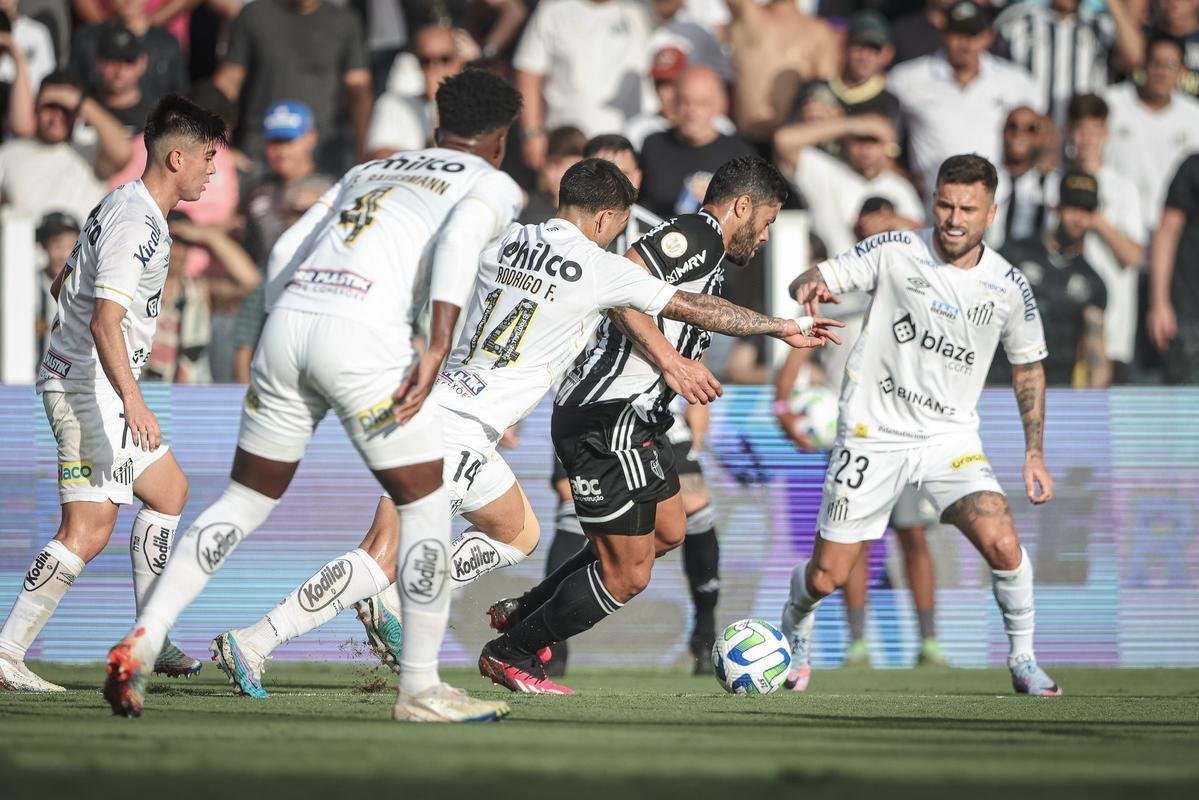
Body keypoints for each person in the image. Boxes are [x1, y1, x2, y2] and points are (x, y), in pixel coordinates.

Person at [206, 157, 837, 698]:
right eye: (618, 226)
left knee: (518, 533)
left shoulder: (506, 241)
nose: (618, 238)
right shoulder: (599, 264)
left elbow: (435, 277)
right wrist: (772, 329)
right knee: (381, 554)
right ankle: (255, 639)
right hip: (456, 423)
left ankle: (403, 599)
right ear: (604, 219)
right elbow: (678, 300)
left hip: (457, 406)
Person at [102, 69, 526, 722]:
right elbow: (459, 250)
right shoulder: (491, 182)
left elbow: (291, 245)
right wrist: (436, 348)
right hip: (363, 340)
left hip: (290, 324)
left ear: (438, 127)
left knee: (242, 500)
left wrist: (283, 319)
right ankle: (418, 689)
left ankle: (146, 635)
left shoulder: (370, 169)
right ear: (499, 140)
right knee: (425, 505)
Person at [480, 158, 842, 695]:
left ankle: (526, 609)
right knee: (629, 574)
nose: (765, 236)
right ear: (741, 207)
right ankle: (514, 649)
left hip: (642, 419)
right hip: (609, 415)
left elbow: (703, 309)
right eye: (765, 222)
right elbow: (624, 280)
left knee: (672, 529)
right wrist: (671, 360)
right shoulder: (695, 233)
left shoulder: (711, 253)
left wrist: (782, 327)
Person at [782, 153, 1061, 697]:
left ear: (992, 212)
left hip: (948, 440)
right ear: (933, 201)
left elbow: (1028, 366)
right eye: (945, 204)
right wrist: (809, 284)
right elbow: (822, 273)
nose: (954, 218)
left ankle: (1024, 659)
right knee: (826, 577)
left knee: (1003, 543)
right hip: (872, 433)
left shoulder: (1008, 286)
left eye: (968, 209)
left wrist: (1034, 452)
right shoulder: (894, 250)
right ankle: (795, 627)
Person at [0, 95, 225, 694]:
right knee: (88, 529)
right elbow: (104, 320)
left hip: (88, 377)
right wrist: (132, 399)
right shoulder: (139, 221)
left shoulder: (121, 205)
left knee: (169, 491)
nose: (213, 169)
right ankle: (6, 653)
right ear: (177, 157)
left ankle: (151, 633)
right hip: (89, 386)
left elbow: (62, 283)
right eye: (208, 157)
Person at [888, 0, 1042, 199]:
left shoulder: (1016, 82)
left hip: (997, 205)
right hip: (932, 204)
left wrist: (1026, 163)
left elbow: (1045, 134)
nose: (966, 43)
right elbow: (883, 132)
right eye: (958, 33)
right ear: (943, 34)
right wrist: (904, 180)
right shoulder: (906, 79)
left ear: (988, 37)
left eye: (973, 34)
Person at [1049, 93, 1144, 382]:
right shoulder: (1050, 182)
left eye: (1093, 131)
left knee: (1100, 420)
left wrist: (1093, 218)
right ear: (1067, 132)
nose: (1085, 140)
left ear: (1105, 132)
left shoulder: (1123, 187)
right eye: (1079, 130)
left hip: (1111, 326)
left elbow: (1133, 256)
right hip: (1056, 326)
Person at [214, 0, 372, 172]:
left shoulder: (344, 21)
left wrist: (363, 154)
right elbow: (227, 84)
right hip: (261, 151)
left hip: (322, 154)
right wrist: (217, 147)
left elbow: (359, 93)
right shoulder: (254, 14)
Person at [994, 171, 1110, 388]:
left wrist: (1093, 406)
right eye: (1073, 208)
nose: (1079, 219)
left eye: (1087, 211)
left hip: (1054, 393)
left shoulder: (1092, 282)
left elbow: (1097, 358)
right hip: (1000, 383)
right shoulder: (1014, 254)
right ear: (1057, 207)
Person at [514, 0, 652, 167]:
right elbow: (529, 72)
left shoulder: (642, 10)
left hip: (630, 145)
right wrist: (532, 133)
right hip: (567, 145)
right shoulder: (552, 11)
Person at [773, 111, 923, 256]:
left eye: (873, 140)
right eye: (859, 139)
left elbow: (924, 236)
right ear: (846, 141)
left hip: (883, 276)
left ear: (887, 145)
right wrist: (853, 124)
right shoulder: (826, 172)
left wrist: (892, 221)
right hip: (831, 275)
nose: (866, 149)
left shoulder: (901, 187)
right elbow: (783, 141)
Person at [141, 211, 261, 384]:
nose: (177, 250)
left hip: (191, 398)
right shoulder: (138, 288)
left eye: (184, 243)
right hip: (143, 394)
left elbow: (250, 281)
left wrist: (206, 236)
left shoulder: (199, 290)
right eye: (170, 241)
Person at [0, 72, 131, 223]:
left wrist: (79, 101)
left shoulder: (90, 151)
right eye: (50, 107)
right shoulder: (9, 153)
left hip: (80, 245)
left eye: (65, 109)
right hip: (24, 245)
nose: (56, 116)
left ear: (78, 113)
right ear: (36, 107)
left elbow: (124, 152)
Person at [1104, 33, 1199, 236]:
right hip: (1114, 228)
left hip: (1171, 235)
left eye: (1171, 65)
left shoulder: (1194, 117)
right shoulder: (1111, 104)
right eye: (1156, 63)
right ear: (1143, 65)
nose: (1162, 72)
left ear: (1183, 72)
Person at [639, 67, 754, 218]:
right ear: (673, 103)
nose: (692, 111)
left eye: (702, 103)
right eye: (685, 102)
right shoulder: (653, 146)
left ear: (720, 105)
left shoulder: (739, 154)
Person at [725, 0, 839, 140]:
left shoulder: (819, 33)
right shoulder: (747, 15)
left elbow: (825, 93)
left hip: (791, 145)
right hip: (744, 138)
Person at [241, 100, 332, 269]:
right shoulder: (255, 189)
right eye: (274, 142)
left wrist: (324, 205)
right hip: (260, 283)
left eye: (288, 141)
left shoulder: (333, 188)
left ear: (310, 137)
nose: (281, 151)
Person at [994, 0, 1114, 128]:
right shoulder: (1018, 23)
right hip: (1031, 134)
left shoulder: (1101, 26)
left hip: (1082, 138)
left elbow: (1134, 58)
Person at [366, 24, 466, 159]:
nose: (434, 68)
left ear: (459, 62)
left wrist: (441, 104)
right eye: (426, 61)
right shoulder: (392, 104)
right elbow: (379, 158)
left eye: (444, 59)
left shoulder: (475, 107)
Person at [69, 0, 188, 106]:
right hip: (98, 123)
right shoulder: (87, 40)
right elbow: (74, 89)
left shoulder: (167, 43)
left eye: (128, 61)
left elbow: (180, 98)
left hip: (153, 126)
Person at [1147, 151, 1199, 383]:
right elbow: (1167, 230)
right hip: (1189, 312)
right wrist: (1159, 303)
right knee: (1188, 406)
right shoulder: (1194, 166)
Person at [809, 10, 901, 125]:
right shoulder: (817, 89)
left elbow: (883, 136)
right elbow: (785, 138)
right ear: (845, 48)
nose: (865, 57)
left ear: (885, 55)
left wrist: (837, 124)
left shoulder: (888, 102)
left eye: (873, 51)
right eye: (859, 48)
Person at [988, 106, 1052, 249]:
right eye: (1013, 127)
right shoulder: (986, 180)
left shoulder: (1051, 185)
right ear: (1003, 132)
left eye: (1031, 129)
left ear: (1041, 137)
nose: (1019, 134)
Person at [35, 211, 81, 357]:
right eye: (56, 244)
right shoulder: (26, 286)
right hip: (26, 376)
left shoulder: (84, 287)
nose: (62, 253)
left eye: (70, 245)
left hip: (71, 376)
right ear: (43, 244)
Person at [92, 26, 155, 134]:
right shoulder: (83, 114)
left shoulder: (156, 119)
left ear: (142, 62)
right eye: (112, 60)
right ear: (98, 62)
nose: (119, 70)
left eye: (128, 60)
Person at [519, 125, 586, 224]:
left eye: (571, 167)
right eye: (552, 165)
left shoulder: (593, 213)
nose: (558, 175)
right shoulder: (524, 205)